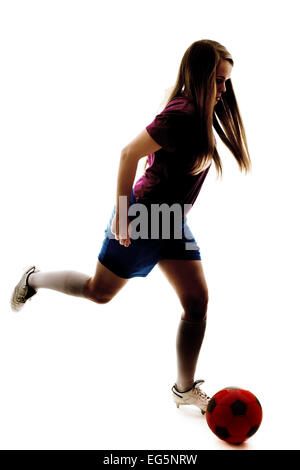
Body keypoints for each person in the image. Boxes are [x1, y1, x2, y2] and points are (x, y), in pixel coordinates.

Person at [10, 40, 251, 415]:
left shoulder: (203, 113)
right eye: (219, 81)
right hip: (143, 218)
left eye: (226, 82)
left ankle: (184, 388)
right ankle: (34, 279)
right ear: (200, 76)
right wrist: (123, 214)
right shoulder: (182, 113)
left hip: (171, 222)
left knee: (197, 303)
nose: (223, 90)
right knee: (98, 292)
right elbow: (128, 154)